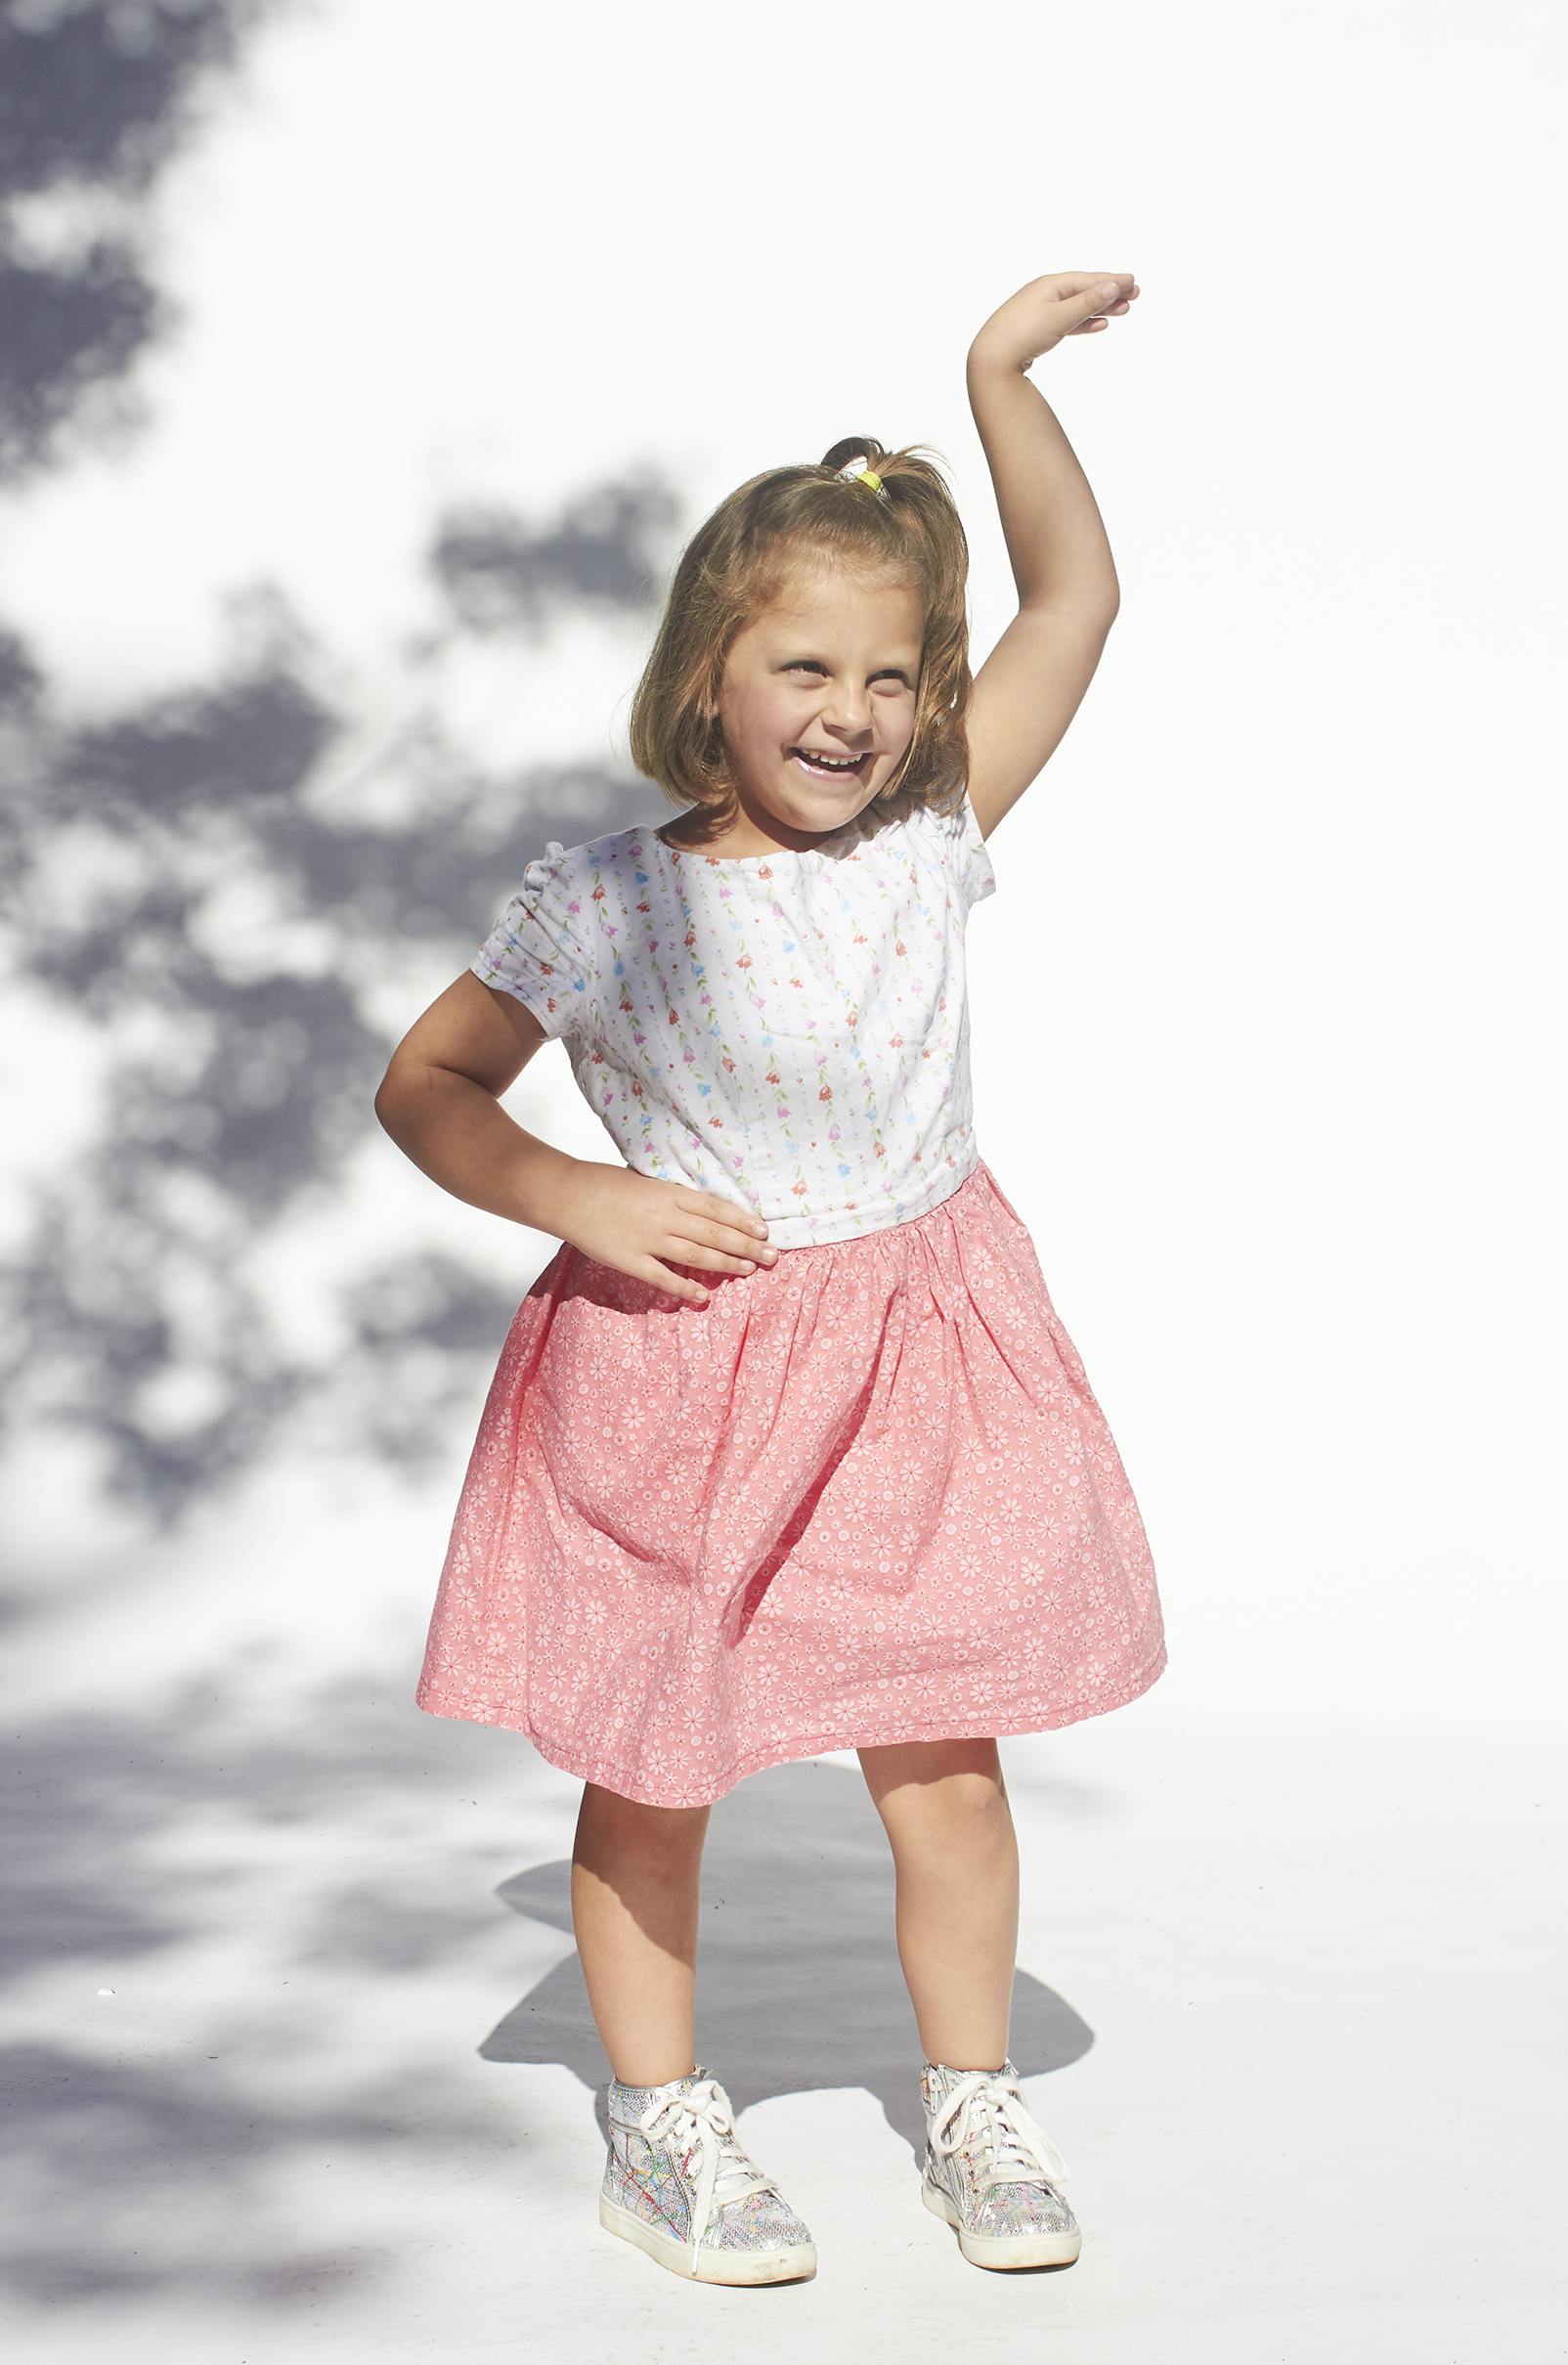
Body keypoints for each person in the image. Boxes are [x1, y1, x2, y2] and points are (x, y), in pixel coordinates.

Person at [375, 271, 1165, 2286]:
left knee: (946, 1752)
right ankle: (662, 2123)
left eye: (891, 676)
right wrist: (573, 1187)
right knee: (659, 1771)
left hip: (922, 1354)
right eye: (804, 666)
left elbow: (1073, 603)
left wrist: (993, 379)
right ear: (709, 670)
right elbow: (431, 1082)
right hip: (694, 1372)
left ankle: (971, 2100)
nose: (851, 712)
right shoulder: (608, 900)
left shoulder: (930, 835)